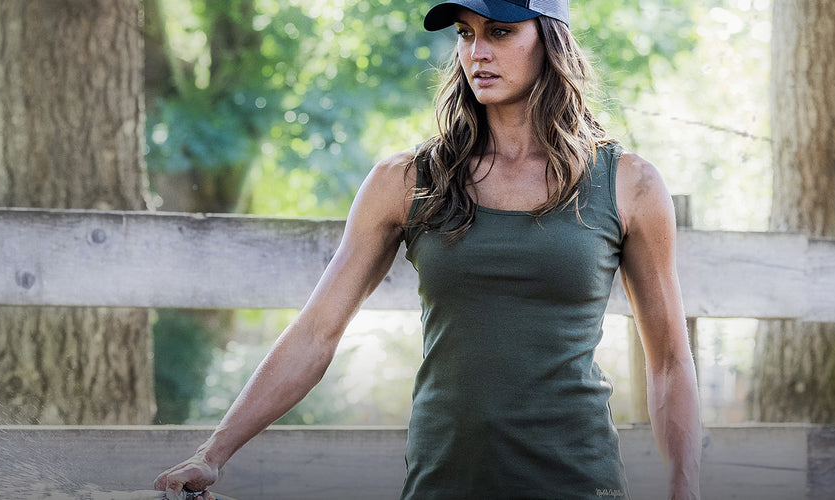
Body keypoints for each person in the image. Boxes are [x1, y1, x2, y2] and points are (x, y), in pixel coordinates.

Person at [151, 1, 703, 498]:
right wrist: (212, 454)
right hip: (444, 481)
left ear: (551, 38)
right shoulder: (408, 179)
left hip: (577, 480)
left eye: (501, 32)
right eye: (465, 34)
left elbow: (671, 360)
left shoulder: (629, 184)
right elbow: (316, 332)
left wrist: (684, 487)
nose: (476, 52)